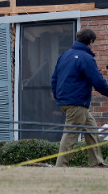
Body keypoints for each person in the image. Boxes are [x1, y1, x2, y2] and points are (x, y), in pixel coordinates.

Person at [51, 28, 108, 168]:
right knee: (70, 134)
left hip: (67, 101)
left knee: (91, 128)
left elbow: (54, 79)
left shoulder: (64, 55)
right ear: (90, 42)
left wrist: (58, 96)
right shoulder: (86, 58)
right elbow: (98, 81)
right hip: (76, 102)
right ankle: (60, 166)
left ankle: (97, 162)